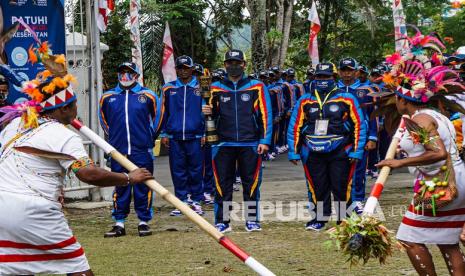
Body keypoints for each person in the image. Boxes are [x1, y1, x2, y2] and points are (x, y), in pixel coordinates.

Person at [0, 59, 153, 275]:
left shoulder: (15, 125)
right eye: (74, 105)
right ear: (64, 109)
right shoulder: (63, 136)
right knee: (77, 268)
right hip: (35, 211)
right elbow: (88, 173)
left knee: (13, 268)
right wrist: (128, 178)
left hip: (2, 208)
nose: (76, 110)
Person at [376, 40, 465, 275]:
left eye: (396, 98)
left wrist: (399, 162)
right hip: (451, 182)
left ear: (403, 100)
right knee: (447, 240)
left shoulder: (421, 120)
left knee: (408, 236)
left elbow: (438, 152)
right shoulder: (431, 115)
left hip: (441, 186)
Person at [287, 62, 367, 231]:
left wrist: (357, 150)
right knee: (318, 186)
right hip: (312, 151)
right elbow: (295, 126)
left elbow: (359, 124)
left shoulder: (347, 98)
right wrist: (293, 152)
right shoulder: (305, 100)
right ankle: (319, 219)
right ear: (314, 78)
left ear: (333, 77)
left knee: (341, 185)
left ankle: (344, 220)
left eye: (326, 77)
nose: (322, 80)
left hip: (341, 150)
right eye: (319, 77)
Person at [202, 49, 272, 233]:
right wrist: (208, 112)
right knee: (222, 184)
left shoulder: (257, 87)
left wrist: (265, 140)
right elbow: (211, 115)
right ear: (225, 65)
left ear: (244, 64)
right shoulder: (215, 88)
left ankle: (252, 220)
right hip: (223, 144)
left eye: (237, 62)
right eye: (230, 62)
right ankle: (223, 221)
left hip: (250, 143)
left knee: (251, 184)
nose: (234, 66)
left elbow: (265, 115)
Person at [99, 62, 163, 238]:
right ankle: (119, 223)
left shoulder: (147, 95)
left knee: (144, 185)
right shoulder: (108, 97)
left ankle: (143, 222)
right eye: (122, 72)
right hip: (118, 150)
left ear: (136, 75)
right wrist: (114, 139)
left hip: (141, 149)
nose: (125, 76)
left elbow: (158, 118)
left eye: (129, 72)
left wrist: (149, 136)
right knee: (121, 185)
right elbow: (104, 121)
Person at [160, 55, 205, 216]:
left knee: (196, 169)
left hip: (196, 136)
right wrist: (164, 132)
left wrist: (205, 132)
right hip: (175, 137)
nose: (183, 71)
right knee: (178, 170)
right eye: (180, 68)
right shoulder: (168, 88)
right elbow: (163, 113)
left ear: (192, 69)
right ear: (176, 70)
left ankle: (196, 201)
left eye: (186, 68)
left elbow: (207, 113)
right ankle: (181, 201)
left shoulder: (201, 88)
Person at [338, 58, 377, 213]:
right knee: (338, 169)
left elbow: (373, 114)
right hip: (338, 137)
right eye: (344, 70)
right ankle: (341, 201)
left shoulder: (366, 90)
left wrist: (372, 137)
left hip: (360, 136)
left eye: (350, 70)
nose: (347, 73)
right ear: (339, 72)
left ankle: (358, 199)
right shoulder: (334, 89)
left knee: (359, 169)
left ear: (356, 72)